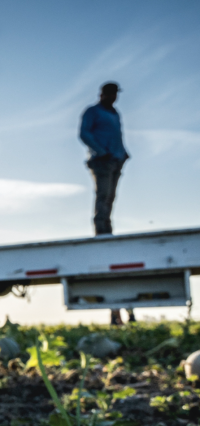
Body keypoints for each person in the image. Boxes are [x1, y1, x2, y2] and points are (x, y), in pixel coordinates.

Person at [79, 83, 134, 325]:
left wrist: (123, 153)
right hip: (101, 160)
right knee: (102, 197)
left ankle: (107, 227)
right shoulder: (94, 112)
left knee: (111, 197)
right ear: (102, 94)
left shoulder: (114, 114)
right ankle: (102, 230)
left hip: (116, 159)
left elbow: (118, 136)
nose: (112, 97)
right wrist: (100, 151)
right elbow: (84, 134)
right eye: (109, 93)